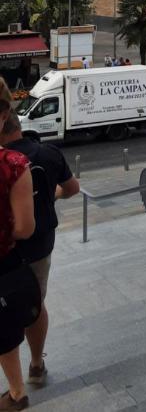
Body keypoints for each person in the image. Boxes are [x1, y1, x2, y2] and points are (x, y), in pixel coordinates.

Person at [1, 112, 80, 389]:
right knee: (35, 304)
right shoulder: (48, 154)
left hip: (5, 250)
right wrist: (52, 194)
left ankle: (15, 385)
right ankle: (36, 365)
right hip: (39, 247)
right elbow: (72, 188)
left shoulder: (5, 162)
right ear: (19, 127)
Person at [0, 78, 37, 411]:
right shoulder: (13, 166)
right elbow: (25, 228)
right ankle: (15, 393)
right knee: (5, 333)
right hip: (2, 264)